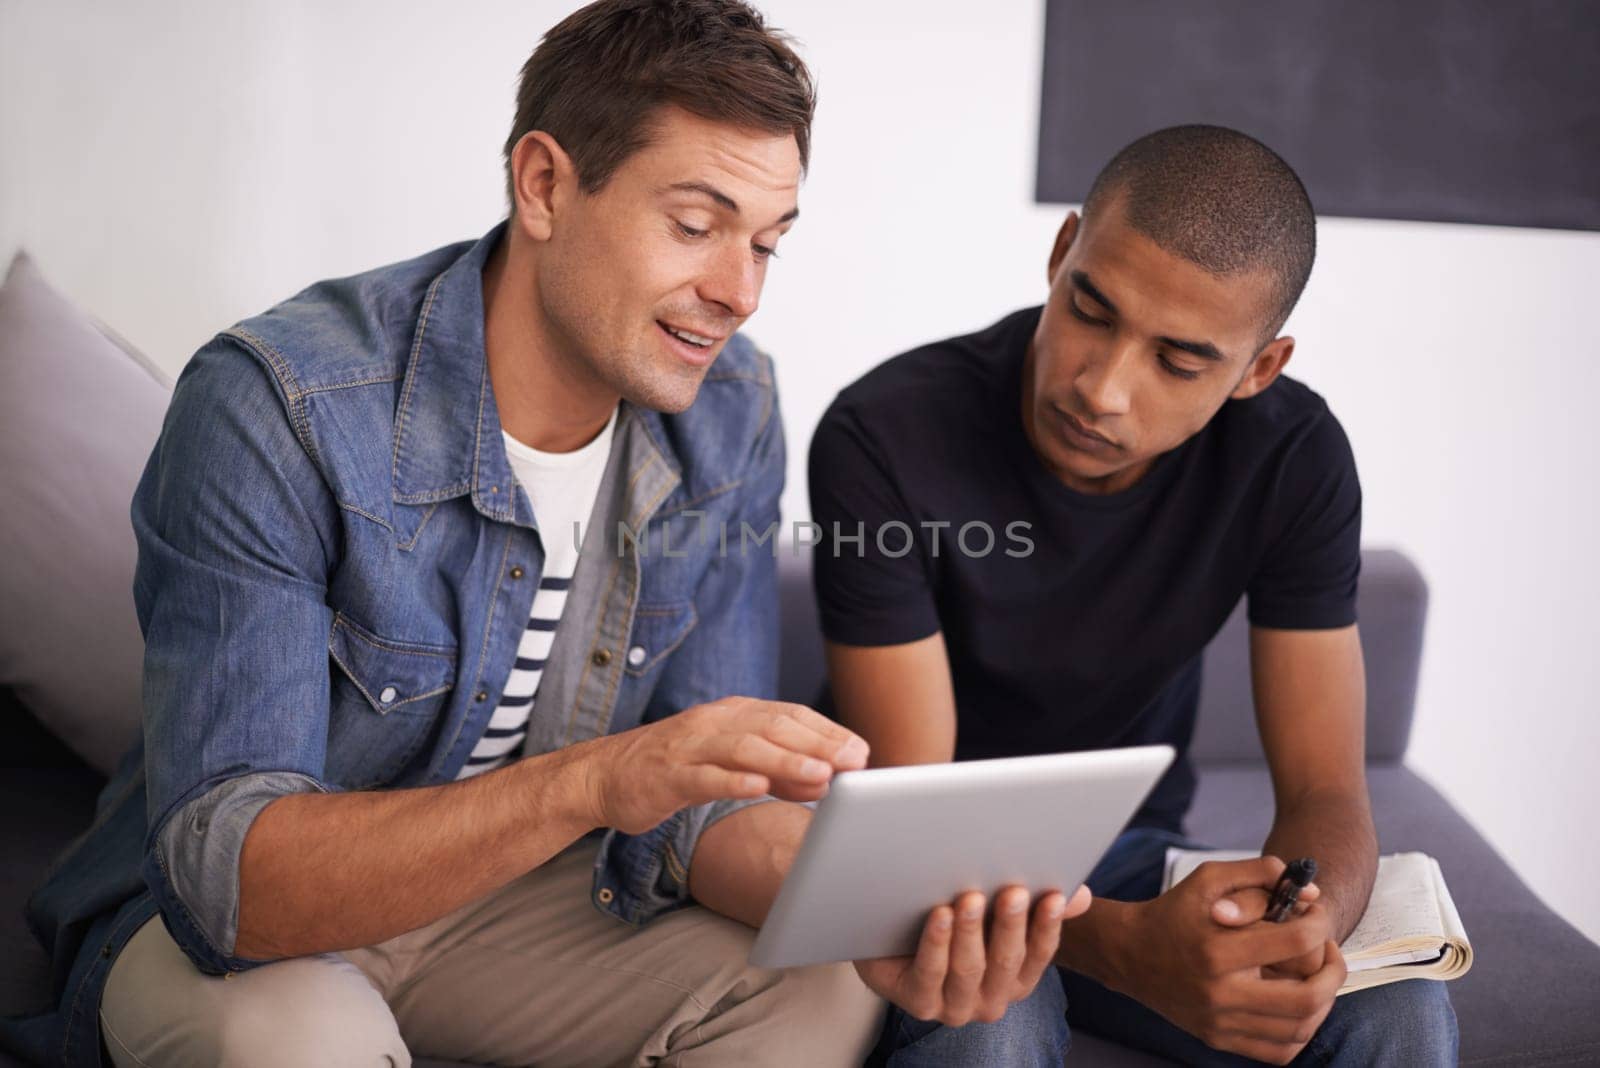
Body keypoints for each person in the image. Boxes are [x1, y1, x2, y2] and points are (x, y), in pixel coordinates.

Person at [4, 3, 1089, 1065]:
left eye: (767, 244)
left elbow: (696, 812)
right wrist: (598, 779)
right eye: (696, 225)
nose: (738, 292)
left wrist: (884, 921)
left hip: (508, 921)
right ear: (543, 184)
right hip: (239, 942)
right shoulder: (281, 404)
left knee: (819, 991)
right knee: (297, 1040)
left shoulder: (730, 412)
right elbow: (228, 883)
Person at [809, 125, 1460, 1066]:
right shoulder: (885, 434)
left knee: (1398, 1014)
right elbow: (914, 839)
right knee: (985, 1027)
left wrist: (1301, 927)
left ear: (1258, 370)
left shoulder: (1294, 459)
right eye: (1092, 309)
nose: (1102, 389)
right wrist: (1125, 949)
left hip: (1122, 849)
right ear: (1062, 250)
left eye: (1180, 361)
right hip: (932, 870)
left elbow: (1326, 791)